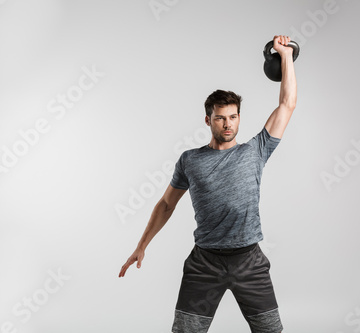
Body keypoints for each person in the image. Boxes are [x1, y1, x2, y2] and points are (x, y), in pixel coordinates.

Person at [119, 34, 297, 333]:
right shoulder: (190, 160)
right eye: (220, 118)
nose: (227, 124)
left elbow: (286, 104)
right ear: (208, 120)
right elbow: (166, 204)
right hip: (204, 264)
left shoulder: (256, 150)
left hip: (249, 262)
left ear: (239, 118)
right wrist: (142, 246)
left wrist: (287, 55)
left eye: (233, 117)